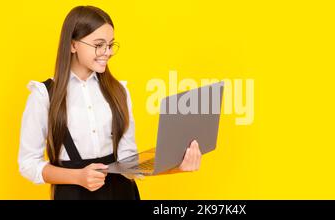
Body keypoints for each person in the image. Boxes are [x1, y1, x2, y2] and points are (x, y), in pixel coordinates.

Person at [18, 5, 201, 200]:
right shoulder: (43, 95)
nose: (108, 52)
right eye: (99, 45)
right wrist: (77, 177)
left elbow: (128, 165)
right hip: (72, 194)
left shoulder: (118, 91)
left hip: (121, 193)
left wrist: (176, 166)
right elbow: (28, 164)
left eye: (111, 44)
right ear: (73, 45)